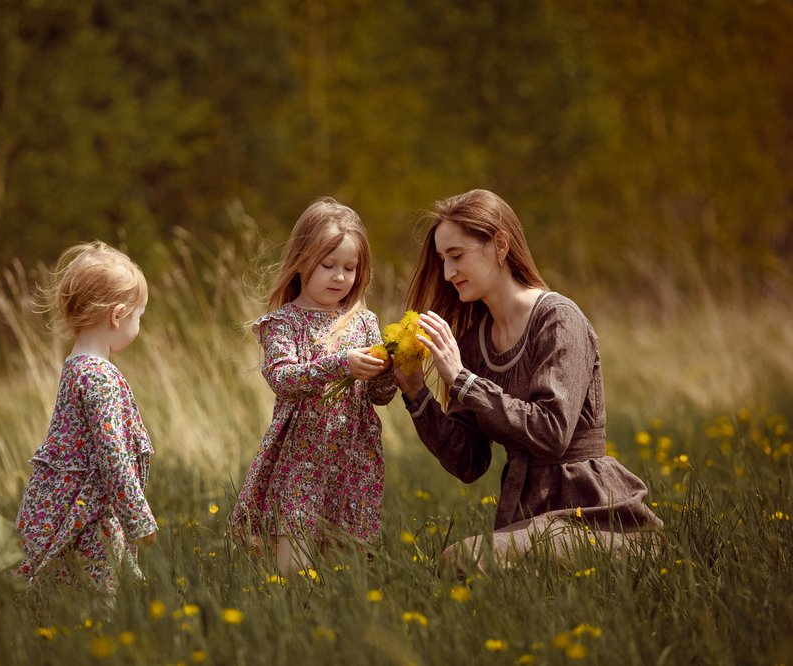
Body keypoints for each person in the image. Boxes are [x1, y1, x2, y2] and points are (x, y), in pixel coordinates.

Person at [396, 189, 662, 576]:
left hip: (595, 514)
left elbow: (552, 432)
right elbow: (469, 462)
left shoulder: (559, 320)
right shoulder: (472, 343)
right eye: (442, 260)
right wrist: (417, 394)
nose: (448, 272)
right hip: (526, 518)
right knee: (458, 563)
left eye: (457, 255)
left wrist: (464, 381)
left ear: (500, 245)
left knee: (463, 559)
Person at [229, 197, 397, 577]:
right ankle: (289, 620)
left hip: (353, 458)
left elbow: (380, 396)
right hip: (300, 457)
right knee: (294, 567)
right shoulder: (283, 322)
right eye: (329, 265)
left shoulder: (364, 321)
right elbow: (283, 378)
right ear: (302, 261)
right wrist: (342, 364)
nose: (340, 277)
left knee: (345, 568)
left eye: (350, 268)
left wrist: (389, 367)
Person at [15, 241, 158, 595]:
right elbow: (112, 454)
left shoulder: (75, 365)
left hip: (68, 497)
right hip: (87, 507)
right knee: (96, 587)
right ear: (117, 315)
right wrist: (138, 517)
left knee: (67, 580)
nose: (138, 325)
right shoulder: (98, 376)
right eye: (138, 316)